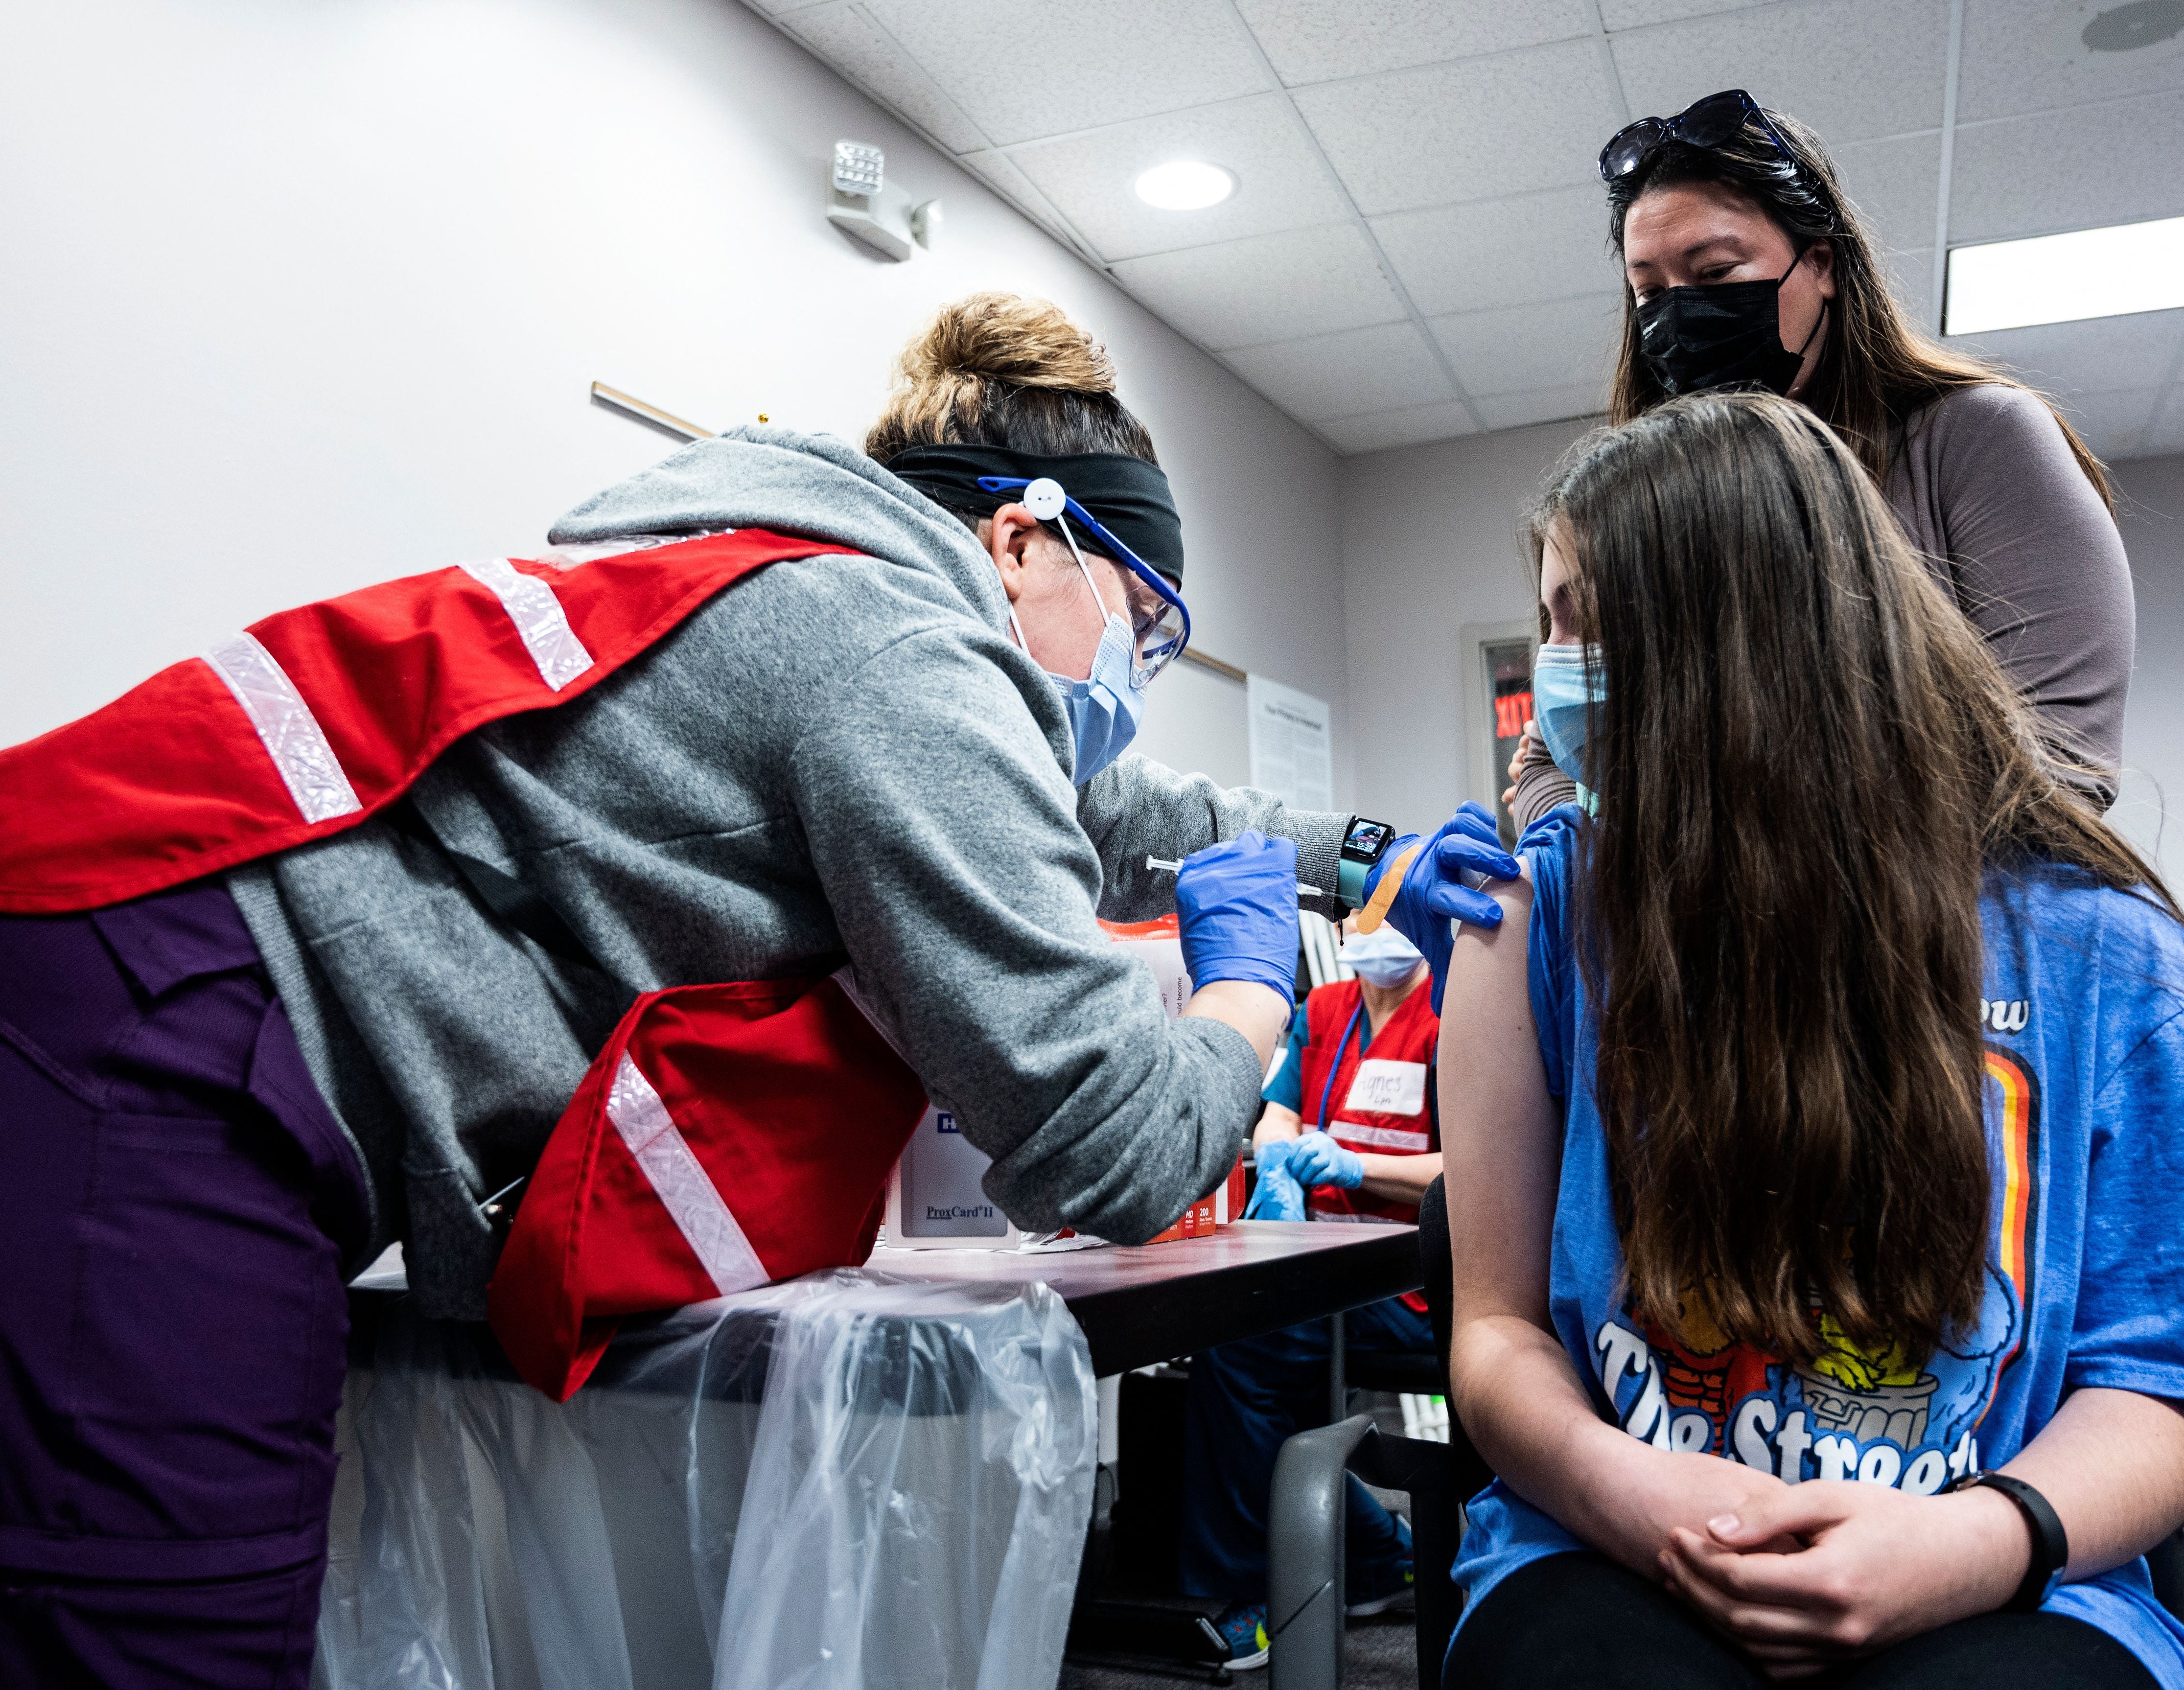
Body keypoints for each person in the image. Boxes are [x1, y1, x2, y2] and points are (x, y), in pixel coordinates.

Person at [0, 291, 1519, 1688]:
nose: (1141, 669)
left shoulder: (801, 581)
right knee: (157, 1637)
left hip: (113, 946)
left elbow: (1113, 810)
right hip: (161, 1026)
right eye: (1141, 621)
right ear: (1016, 540)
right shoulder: (898, 649)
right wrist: (1245, 994)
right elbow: (1107, 1144)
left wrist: (1359, 852)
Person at [1439, 391, 2184, 1689]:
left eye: (1584, 622)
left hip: (1988, 1552)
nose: (1552, 670)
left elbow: (2161, 1387)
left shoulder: (2107, 956)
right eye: (1548, 619)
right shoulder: (1528, 920)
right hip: (1606, 1539)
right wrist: (1638, 1492)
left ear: (1749, 643)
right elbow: (1496, 1332)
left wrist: (1975, 1540)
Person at [1509, 87, 2132, 830]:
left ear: (1822, 264)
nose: (1679, 313)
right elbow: (1554, 751)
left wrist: (1753, 853)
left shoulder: (1978, 439)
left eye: (1714, 275)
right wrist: (1570, 854)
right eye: (1649, 292)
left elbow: (2057, 771)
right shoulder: (1646, 505)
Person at [1179, 925, 1444, 1667]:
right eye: (1363, 914)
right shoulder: (1323, 1006)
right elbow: (1280, 1108)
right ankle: (1382, 1552)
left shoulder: (1448, 1013)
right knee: (1247, 1342)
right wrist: (1278, 1155)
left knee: (1241, 1350)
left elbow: (1473, 1166)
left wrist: (1354, 1165)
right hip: (1322, 1267)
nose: (1378, 929)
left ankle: (1248, 1592)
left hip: (1414, 1285)